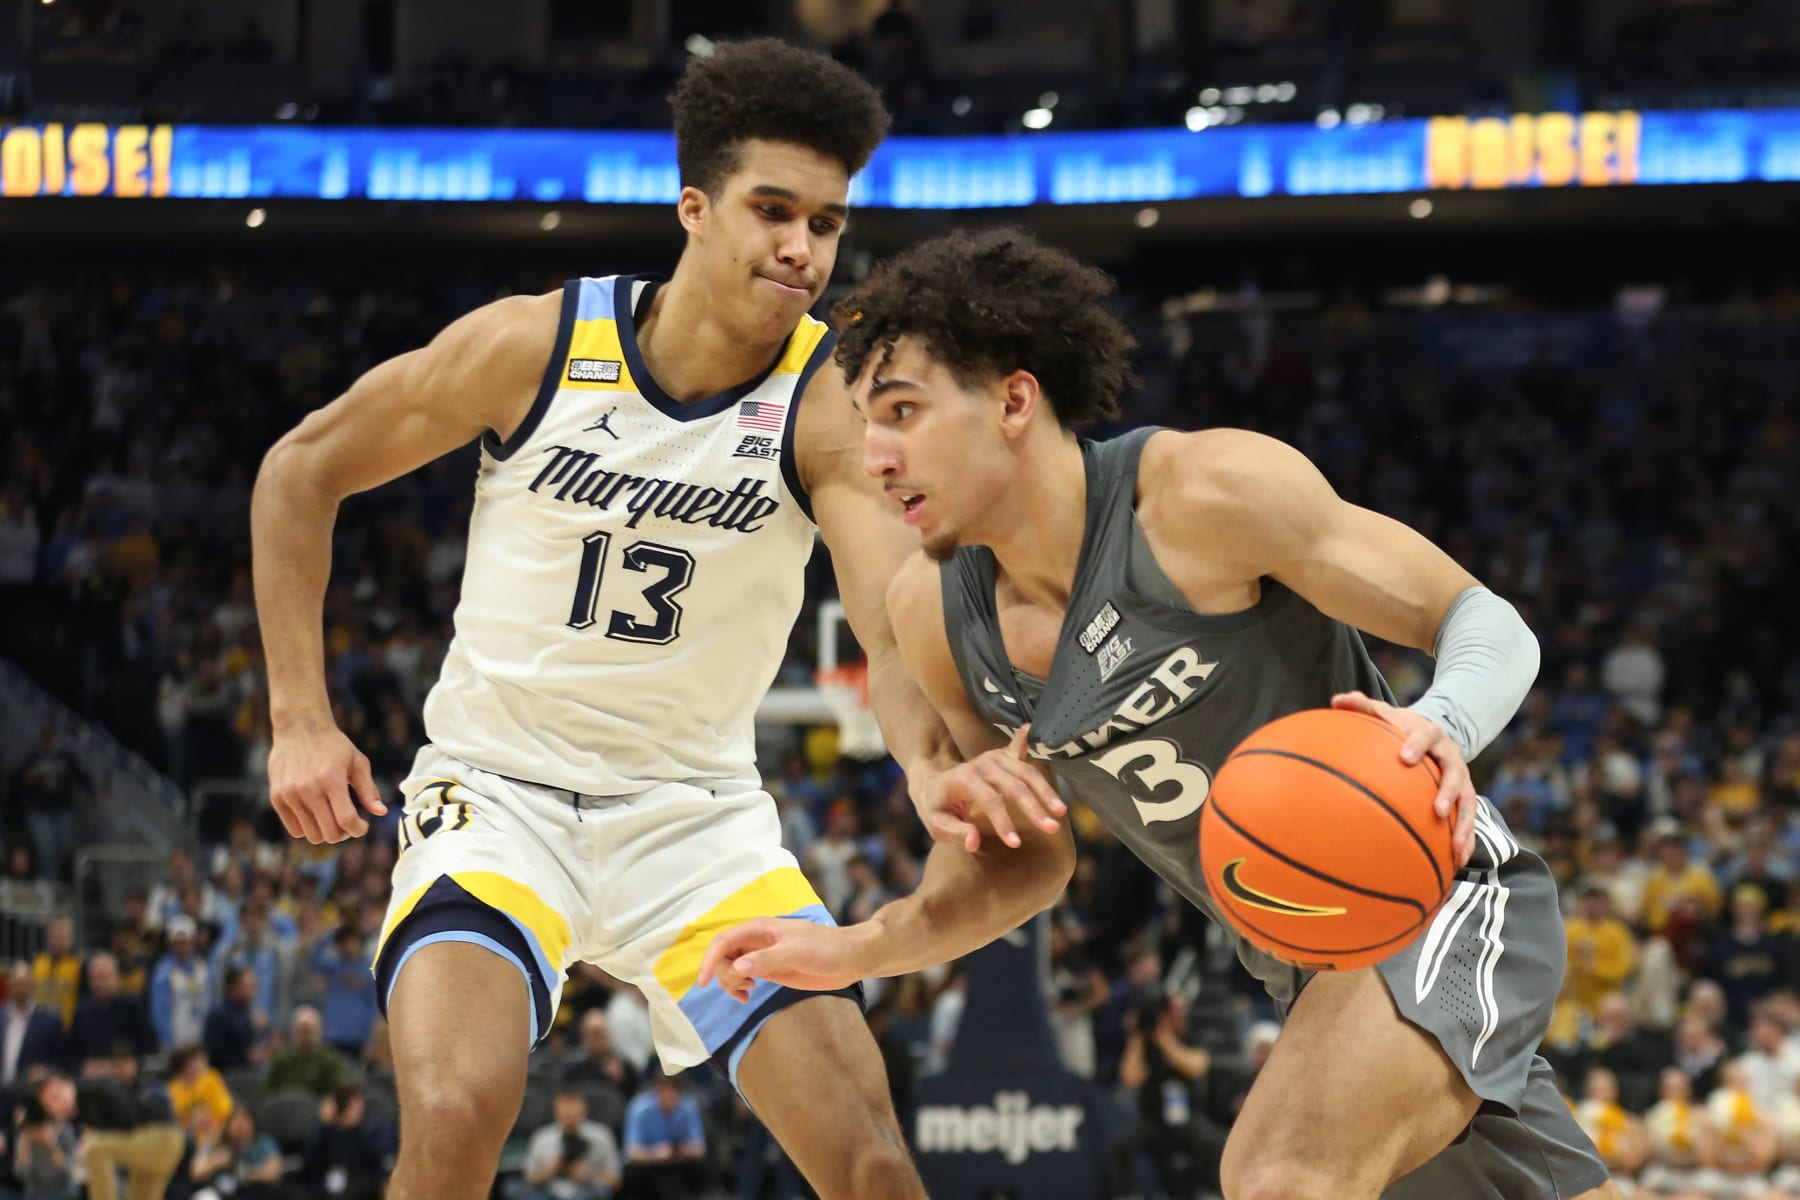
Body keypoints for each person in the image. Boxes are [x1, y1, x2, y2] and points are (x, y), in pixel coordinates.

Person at [251, 37, 1052, 1200]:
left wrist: (929, 762)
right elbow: (299, 469)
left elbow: (889, 621)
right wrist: (299, 718)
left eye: (826, 223)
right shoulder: (536, 345)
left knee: (871, 1162)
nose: (801, 247)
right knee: (457, 1108)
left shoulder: (829, 401)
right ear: (693, 207)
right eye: (772, 210)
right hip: (501, 795)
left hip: (696, 825)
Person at [702, 229, 1622, 1200]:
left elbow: (1484, 621)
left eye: (903, 413)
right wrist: (859, 946)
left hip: (1439, 892)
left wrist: (1445, 720)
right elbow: (1021, 857)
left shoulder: (1198, 498)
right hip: (1307, 963)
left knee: (1278, 1176)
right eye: (864, 424)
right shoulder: (934, 614)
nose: (877, 457)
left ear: (1015, 400)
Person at [35, 1069, 185, 1200]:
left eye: (57, 1094)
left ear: (69, 1084)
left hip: (162, 1137)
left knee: (94, 1149)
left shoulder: (94, 1090)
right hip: (153, 1147)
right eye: (50, 1104)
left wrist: (97, 1137)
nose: (57, 1103)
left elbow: (129, 1120)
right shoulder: (79, 1115)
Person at [511, 1086, 622, 1200]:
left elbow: (615, 1181)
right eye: (565, 1115)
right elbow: (528, 1178)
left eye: (573, 1115)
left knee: (600, 1192)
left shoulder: (601, 1135)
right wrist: (550, 1170)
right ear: (556, 1112)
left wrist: (585, 1175)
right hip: (548, 1192)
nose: (569, 1119)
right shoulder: (542, 1137)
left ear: (583, 1111)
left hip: (586, 1191)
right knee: (512, 1187)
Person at [619, 1069, 706, 1200]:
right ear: (656, 1090)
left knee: (700, 1168)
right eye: (665, 1091)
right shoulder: (640, 1108)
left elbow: (700, 1148)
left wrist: (682, 1151)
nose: (669, 1096)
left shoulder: (688, 1107)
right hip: (649, 1163)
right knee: (635, 1172)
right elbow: (631, 1152)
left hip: (678, 1162)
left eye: (674, 1092)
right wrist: (654, 1154)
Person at [67, 953, 155, 1069]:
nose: (99, 983)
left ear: (116, 978)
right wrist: (83, 1065)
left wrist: (121, 1063)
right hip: (91, 1076)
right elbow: (71, 1052)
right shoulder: (81, 1010)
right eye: (95, 978)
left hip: (125, 1073)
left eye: (104, 977)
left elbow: (148, 1046)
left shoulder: (133, 1007)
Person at [190, 1105, 286, 1200]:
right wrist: (217, 1161)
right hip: (221, 1192)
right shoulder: (218, 1143)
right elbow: (196, 1172)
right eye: (235, 1121)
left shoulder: (262, 1143)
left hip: (254, 1192)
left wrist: (248, 1174)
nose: (239, 1126)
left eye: (245, 1120)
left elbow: (274, 1173)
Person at [2, 960, 67, 1085]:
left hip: (31, 1092)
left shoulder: (51, 1021)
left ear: (33, 985)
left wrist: (47, 1071)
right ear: (9, 985)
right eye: (16, 983)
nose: (20, 989)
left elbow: (63, 1062)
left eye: (24, 983)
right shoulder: (1, 1016)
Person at [264, 1004, 350, 1096]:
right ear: (293, 1031)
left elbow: (336, 1095)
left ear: (320, 1030)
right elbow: (268, 1092)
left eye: (309, 1031)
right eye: (301, 1031)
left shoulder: (331, 1061)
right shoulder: (281, 1060)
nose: (305, 1037)